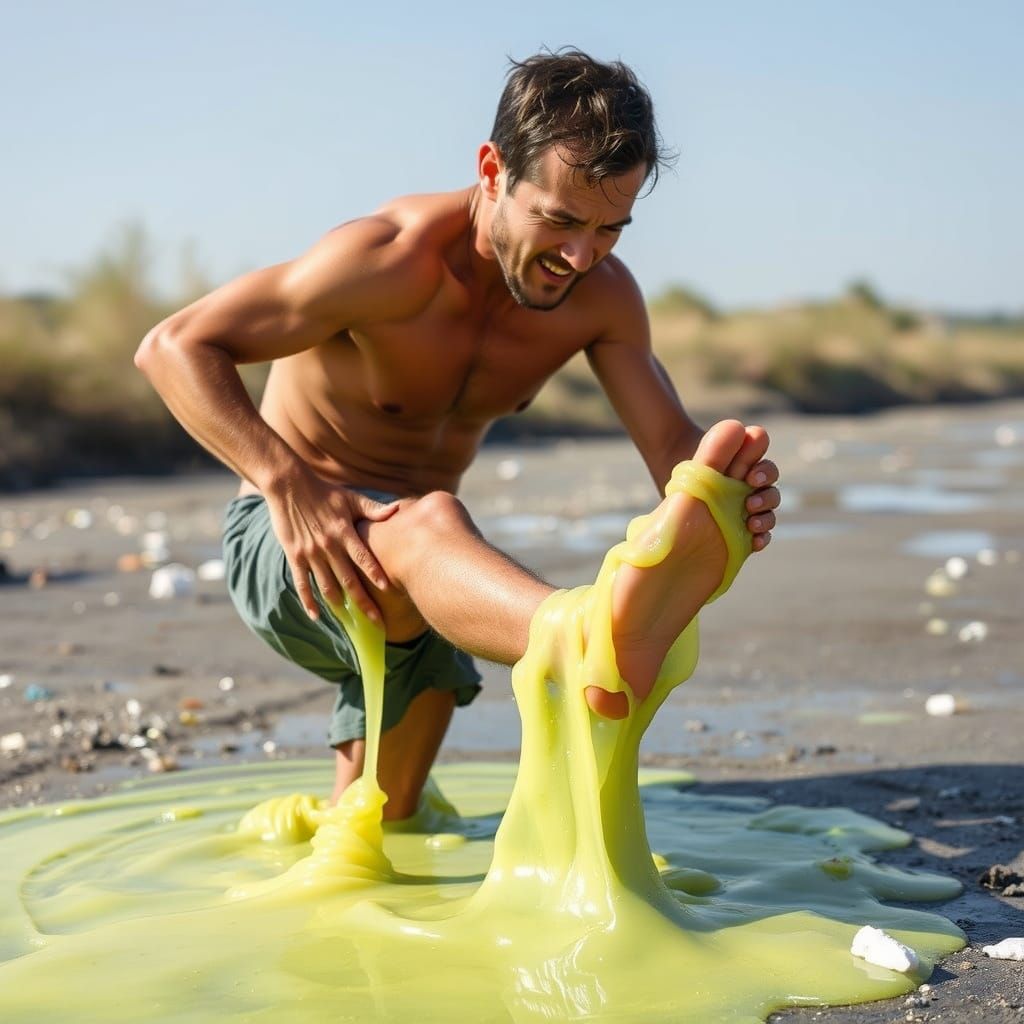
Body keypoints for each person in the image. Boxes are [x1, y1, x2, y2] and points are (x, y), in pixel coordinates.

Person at [136, 49, 780, 819]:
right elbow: (172, 347)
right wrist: (286, 482)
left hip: (420, 589)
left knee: (374, 831)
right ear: (492, 170)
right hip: (293, 542)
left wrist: (715, 491)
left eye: (612, 228)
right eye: (561, 220)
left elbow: (670, 441)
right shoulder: (385, 262)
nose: (582, 256)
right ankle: (584, 639)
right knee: (434, 516)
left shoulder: (600, 299)